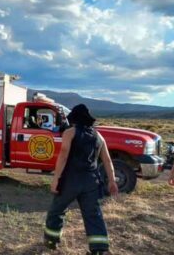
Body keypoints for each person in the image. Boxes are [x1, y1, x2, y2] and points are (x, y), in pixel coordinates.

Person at [44, 104, 118, 255]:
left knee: (57, 210)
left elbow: (64, 155)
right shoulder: (99, 136)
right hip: (91, 181)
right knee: (93, 214)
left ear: (74, 119)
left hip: (70, 180)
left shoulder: (70, 133)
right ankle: (99, 249)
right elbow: (108, 161)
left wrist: (56, 178)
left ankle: (51, 241)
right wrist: (112, 180)